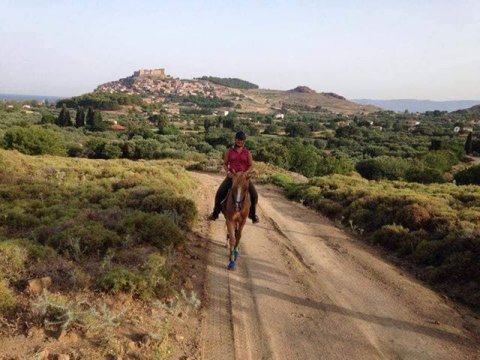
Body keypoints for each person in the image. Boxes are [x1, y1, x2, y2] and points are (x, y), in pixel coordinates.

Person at [208, 131, 259, 223]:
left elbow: (251, 165)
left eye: (241, 140)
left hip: (243, 178)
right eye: (238, 139)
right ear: (235, 140)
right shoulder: (229, 151)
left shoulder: (247, 153)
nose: (239, 141)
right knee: (219, 193)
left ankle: (253, 215)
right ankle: (215, 213)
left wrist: (246, 172)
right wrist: (228, 172)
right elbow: (225, 164)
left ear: (244, 141)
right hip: (232, 177)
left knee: (254, 195)